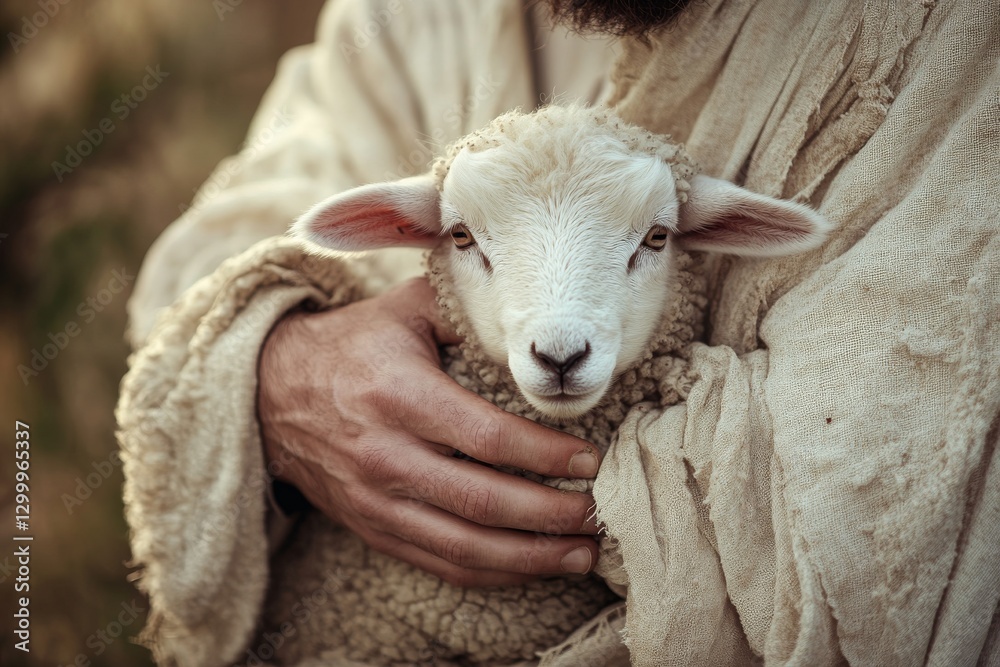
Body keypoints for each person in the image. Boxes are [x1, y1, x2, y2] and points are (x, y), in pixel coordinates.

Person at [116, 0, 1000, 665]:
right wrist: (281, 362)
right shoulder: (416, 12)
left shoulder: (946, 39)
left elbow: (870, 535)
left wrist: (573, 479)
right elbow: (229, 231)